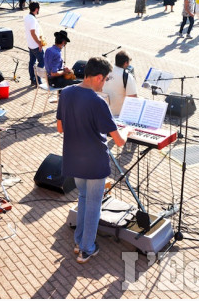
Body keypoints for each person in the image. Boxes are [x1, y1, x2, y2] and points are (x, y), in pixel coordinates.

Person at [56, 57, 131, 264]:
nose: (105, 83)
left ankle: (79, 241)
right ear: (98, 77)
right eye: (105, 79)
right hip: (94, 161)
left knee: (83, 198)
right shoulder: (98, 102)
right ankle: (86, 248)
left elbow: (60, 128)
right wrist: (127, 131)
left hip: (73, 157)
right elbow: (119, 141)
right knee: (94, 205)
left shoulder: (67, 93)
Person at [102, 51, 138, 116]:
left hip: (101, 110)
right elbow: (133, 99)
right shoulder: (128, 76)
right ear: (126, 63)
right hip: (116, 114)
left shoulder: (105, 70)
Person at [24, 1, 45, 86]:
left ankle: (32, 79)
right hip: (35, 45)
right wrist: (39, 43)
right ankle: (37, 80)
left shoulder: (27, 17)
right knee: (42, 61)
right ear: (36, 9)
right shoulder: (32, 19)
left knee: (32, 62)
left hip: (30, 44)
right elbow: (33, 33)